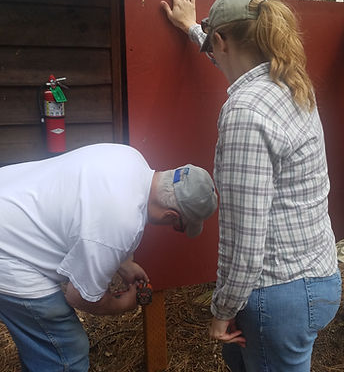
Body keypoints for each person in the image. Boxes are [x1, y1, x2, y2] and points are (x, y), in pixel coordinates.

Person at [161, 0, 341, 371]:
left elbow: (245, 236)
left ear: (222, 39)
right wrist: (193, 27)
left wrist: (222, 309)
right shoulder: (290, 80)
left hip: (279, 294)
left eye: (212, 42)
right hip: (317, 273)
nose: (211, 50)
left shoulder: (245, 112)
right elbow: (228, 60)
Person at [0, 142, 217, 371]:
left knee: (40, 343)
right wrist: (122, 304)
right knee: (65, 350)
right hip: (9, 251)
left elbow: (90, 217)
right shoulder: (122, 224)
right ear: (171, 215)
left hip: (10, 196)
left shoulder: (130, 157)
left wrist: (123, 264)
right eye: (180, 226)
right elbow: (80, 297)